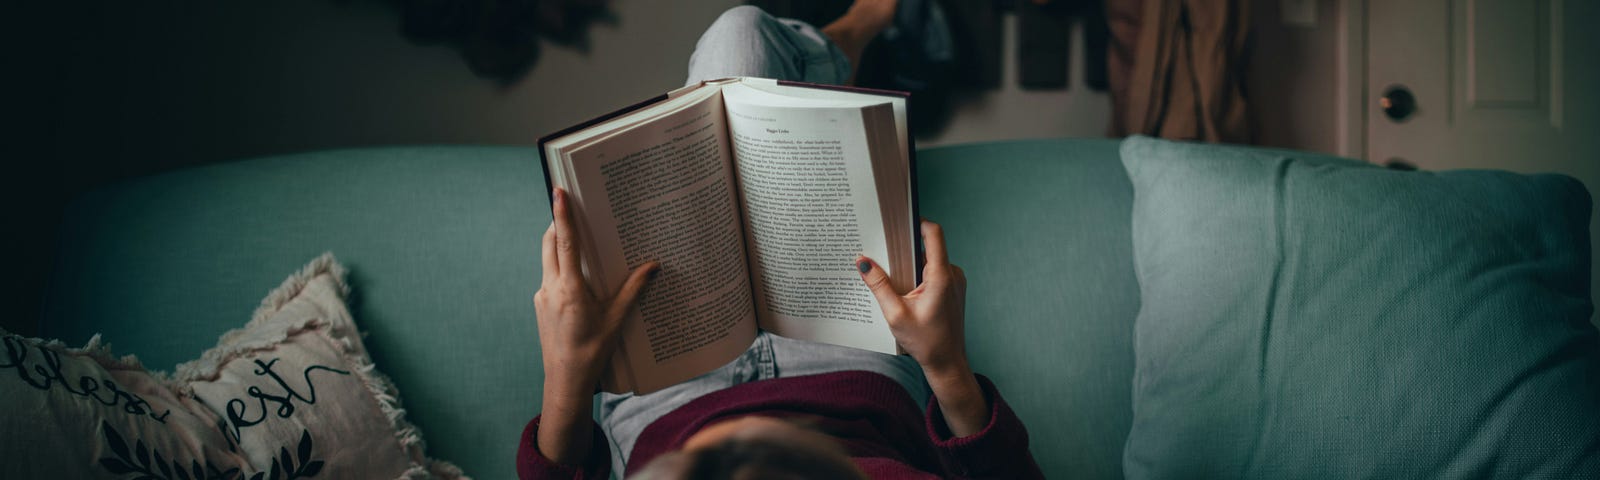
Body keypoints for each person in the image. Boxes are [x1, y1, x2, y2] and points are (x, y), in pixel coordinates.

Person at [517, 3, 1043, 478]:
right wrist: (947, 364)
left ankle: (863, 27)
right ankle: (874, 21)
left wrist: (568, 375)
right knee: (741, 35)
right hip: (846, 365)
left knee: (738, 38)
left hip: (667, 392)